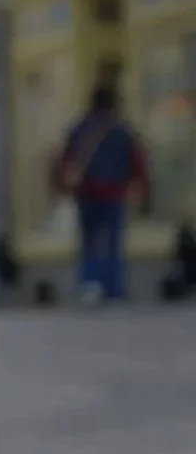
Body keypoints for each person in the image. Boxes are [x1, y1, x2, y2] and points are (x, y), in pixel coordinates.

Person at [54, 83, 150, 303]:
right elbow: (137, 162)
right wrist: (142, 189)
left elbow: (66, 158)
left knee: (89, 240)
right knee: (113, 241)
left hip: (87, 193)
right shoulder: (121, 130)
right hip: (114, 193)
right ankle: (113, 288)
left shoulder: (80, 129)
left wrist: (64, 185)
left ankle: (89, 283)